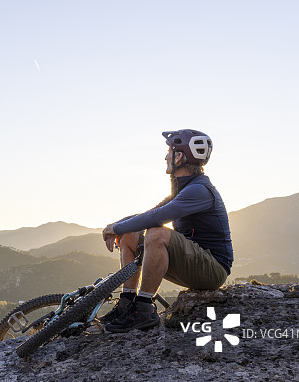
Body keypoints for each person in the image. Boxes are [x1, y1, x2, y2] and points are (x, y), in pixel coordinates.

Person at [99, 129, 234, 333]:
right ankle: (127, 303)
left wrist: (115, 227)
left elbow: (157, 218)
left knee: (157, 232)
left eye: (170, 152)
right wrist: (118, 227)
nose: (165, 156)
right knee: (130, 234)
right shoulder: (184, 190)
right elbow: (151, 213)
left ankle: (144, 309)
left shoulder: (199, 190)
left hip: (213, 270)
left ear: (179, 157)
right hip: (192, 262)